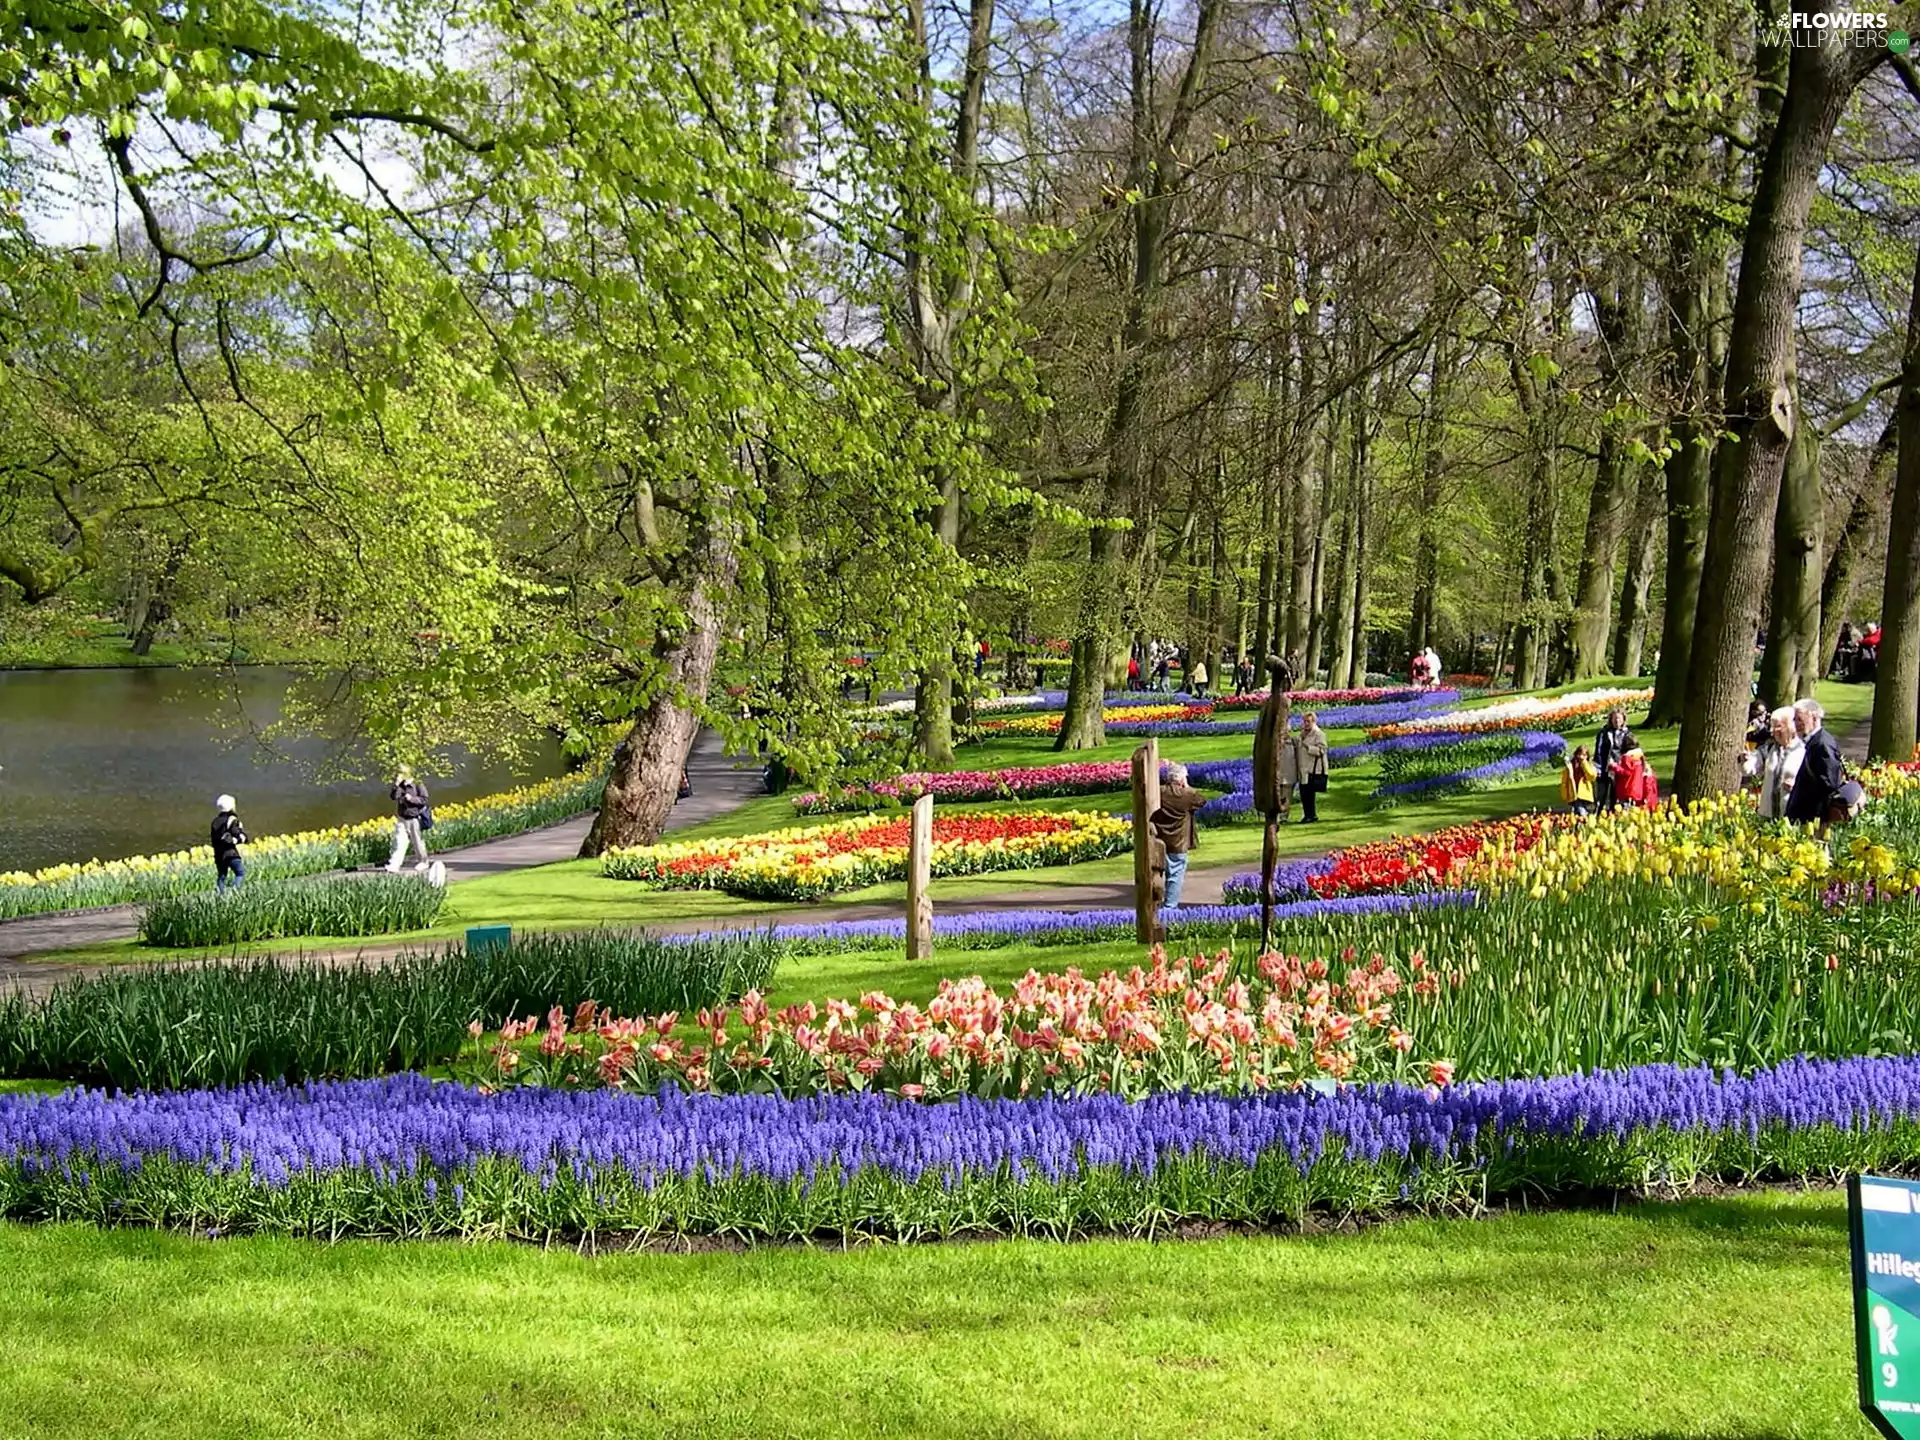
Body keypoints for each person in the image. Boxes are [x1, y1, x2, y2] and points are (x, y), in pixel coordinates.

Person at [1149, 762, 1207, 908]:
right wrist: (1187, 786)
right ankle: (1170, 907)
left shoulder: (1159, 792)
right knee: (1175, 875)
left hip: (1158, 840)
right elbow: (1202, 800)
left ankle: (1154, 903)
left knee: (1155, 874)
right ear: (1181, 779)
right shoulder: (1187, 795)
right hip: (1178, 842)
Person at [1784, 698, 1843, 827]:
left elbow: (1829, 784)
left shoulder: (1822, 744)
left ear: (1814, 718)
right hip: (1806, 817)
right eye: (1794, 719)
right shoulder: (1812, 742)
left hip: (1813, 819)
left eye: (1800, 719)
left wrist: (1804, 792)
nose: (1796, 724)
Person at [1742, 706, 1804, 820]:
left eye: (1778, 726)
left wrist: (1798, 786)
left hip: (1791, 817)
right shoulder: (1769, 748)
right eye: (1772, 726)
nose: (1772, 730)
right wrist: (1745, 760)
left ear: (1791, 726)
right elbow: (1749, 768)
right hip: (1766, 815)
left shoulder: (1804, 750)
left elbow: (1814, 781)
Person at [387, 769, 432, 872]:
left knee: (417, 841)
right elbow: (393, 797)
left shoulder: (418, 784)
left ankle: (423, 861)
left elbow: (424, 799)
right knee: (399, 841)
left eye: (402, 773)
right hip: (402, 818)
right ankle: (395, 864)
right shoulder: (400, 785)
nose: (400, 775)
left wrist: (411, 799)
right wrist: (396, 784)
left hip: (414, 818)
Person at [1594, 709, 1635, 811]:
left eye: (1619, 718)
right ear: (1611, 720)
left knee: (1616, 795)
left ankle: (1613, 813)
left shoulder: (1627, 734)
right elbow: (1598, 751)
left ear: (1623, 719)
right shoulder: (1603, 733)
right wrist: (1598, 767)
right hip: (1605, 767)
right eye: (1615, 718)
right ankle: (1598, 814)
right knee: (1601, 796)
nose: (1617, 721)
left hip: (1619, 768)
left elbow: (1632, 751)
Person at [1294, 713, 1331, 822]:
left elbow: (1322, 750)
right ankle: (1307, 815)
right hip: (1302, 768)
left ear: (1313, 722)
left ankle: (1311, 815)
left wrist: (1308, 747)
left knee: (1309, 793)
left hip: (1312, 768)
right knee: (1304, 793)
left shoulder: (1319, 734)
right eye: (1304, 721)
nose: (1306, 724)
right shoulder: (1301, 734)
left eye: (1308, 721)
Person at [211, 793, 247, 893]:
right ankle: (234, 890)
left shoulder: (215, 821)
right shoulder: (232, 819)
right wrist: (242, 836)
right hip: (230, 853)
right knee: (240, 873)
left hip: (218, 854)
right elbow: (237, 834)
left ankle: (220, 895)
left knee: (222, 876)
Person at [1613, 743, 1660, 810]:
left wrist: (1614, 766)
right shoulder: (1640, 761)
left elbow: (1626, 772)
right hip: (1638, 793)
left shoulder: (1628, 758)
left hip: (1627, 792)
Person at [1560, 746, 1598, 817]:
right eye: (1579, 754)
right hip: (1574, 794)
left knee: (1581, 814)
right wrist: (1565, 794)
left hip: (1585, 795)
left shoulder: (1589, 765)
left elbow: (1591, 776)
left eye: (1584, 755)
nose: (1581, 757)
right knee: (1581, 813)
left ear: (1587, 756)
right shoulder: (1571, 765)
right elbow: (1564, 781)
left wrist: (1584, 763)